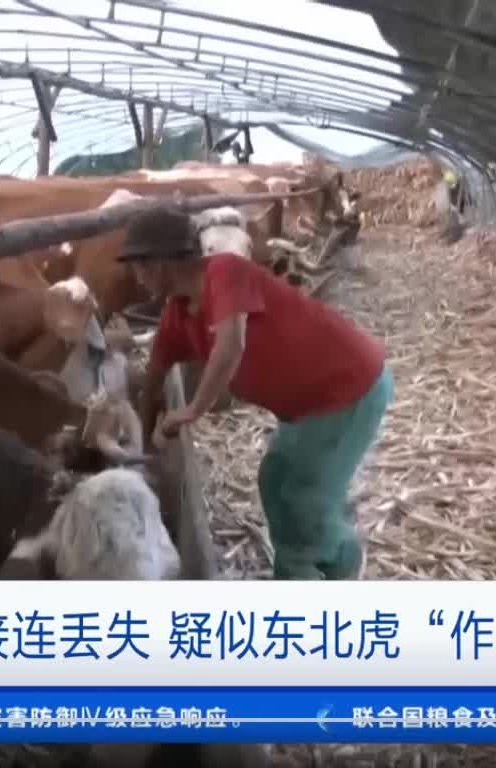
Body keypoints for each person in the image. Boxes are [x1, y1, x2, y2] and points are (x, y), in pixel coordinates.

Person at [120, 207, 394, 580]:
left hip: (349, 388)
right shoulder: (178, 314)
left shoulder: (224, 271)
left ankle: (331, 568)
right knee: (276, 482)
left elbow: (231, 345)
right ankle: (318, 559)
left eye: (140, 265)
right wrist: (143, 454)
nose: (136, 277)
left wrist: (193, 409)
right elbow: (154, 377)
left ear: (163, 261)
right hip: (306, 407)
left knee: (302, 495)